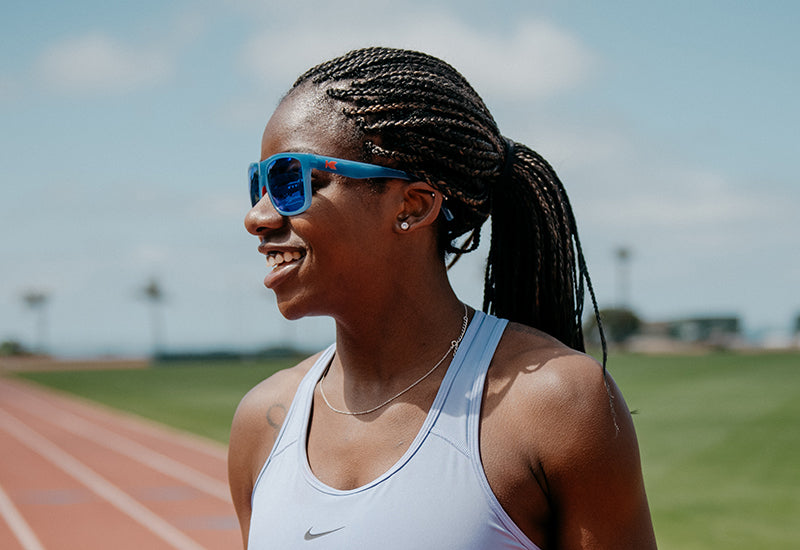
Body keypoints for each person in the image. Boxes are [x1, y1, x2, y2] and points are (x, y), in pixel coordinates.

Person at [229, 47, 657, 550]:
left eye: (289, 180)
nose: (258, 217)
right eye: (258, 183)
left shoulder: (558, 405)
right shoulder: (262, 421)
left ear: (413, 205)